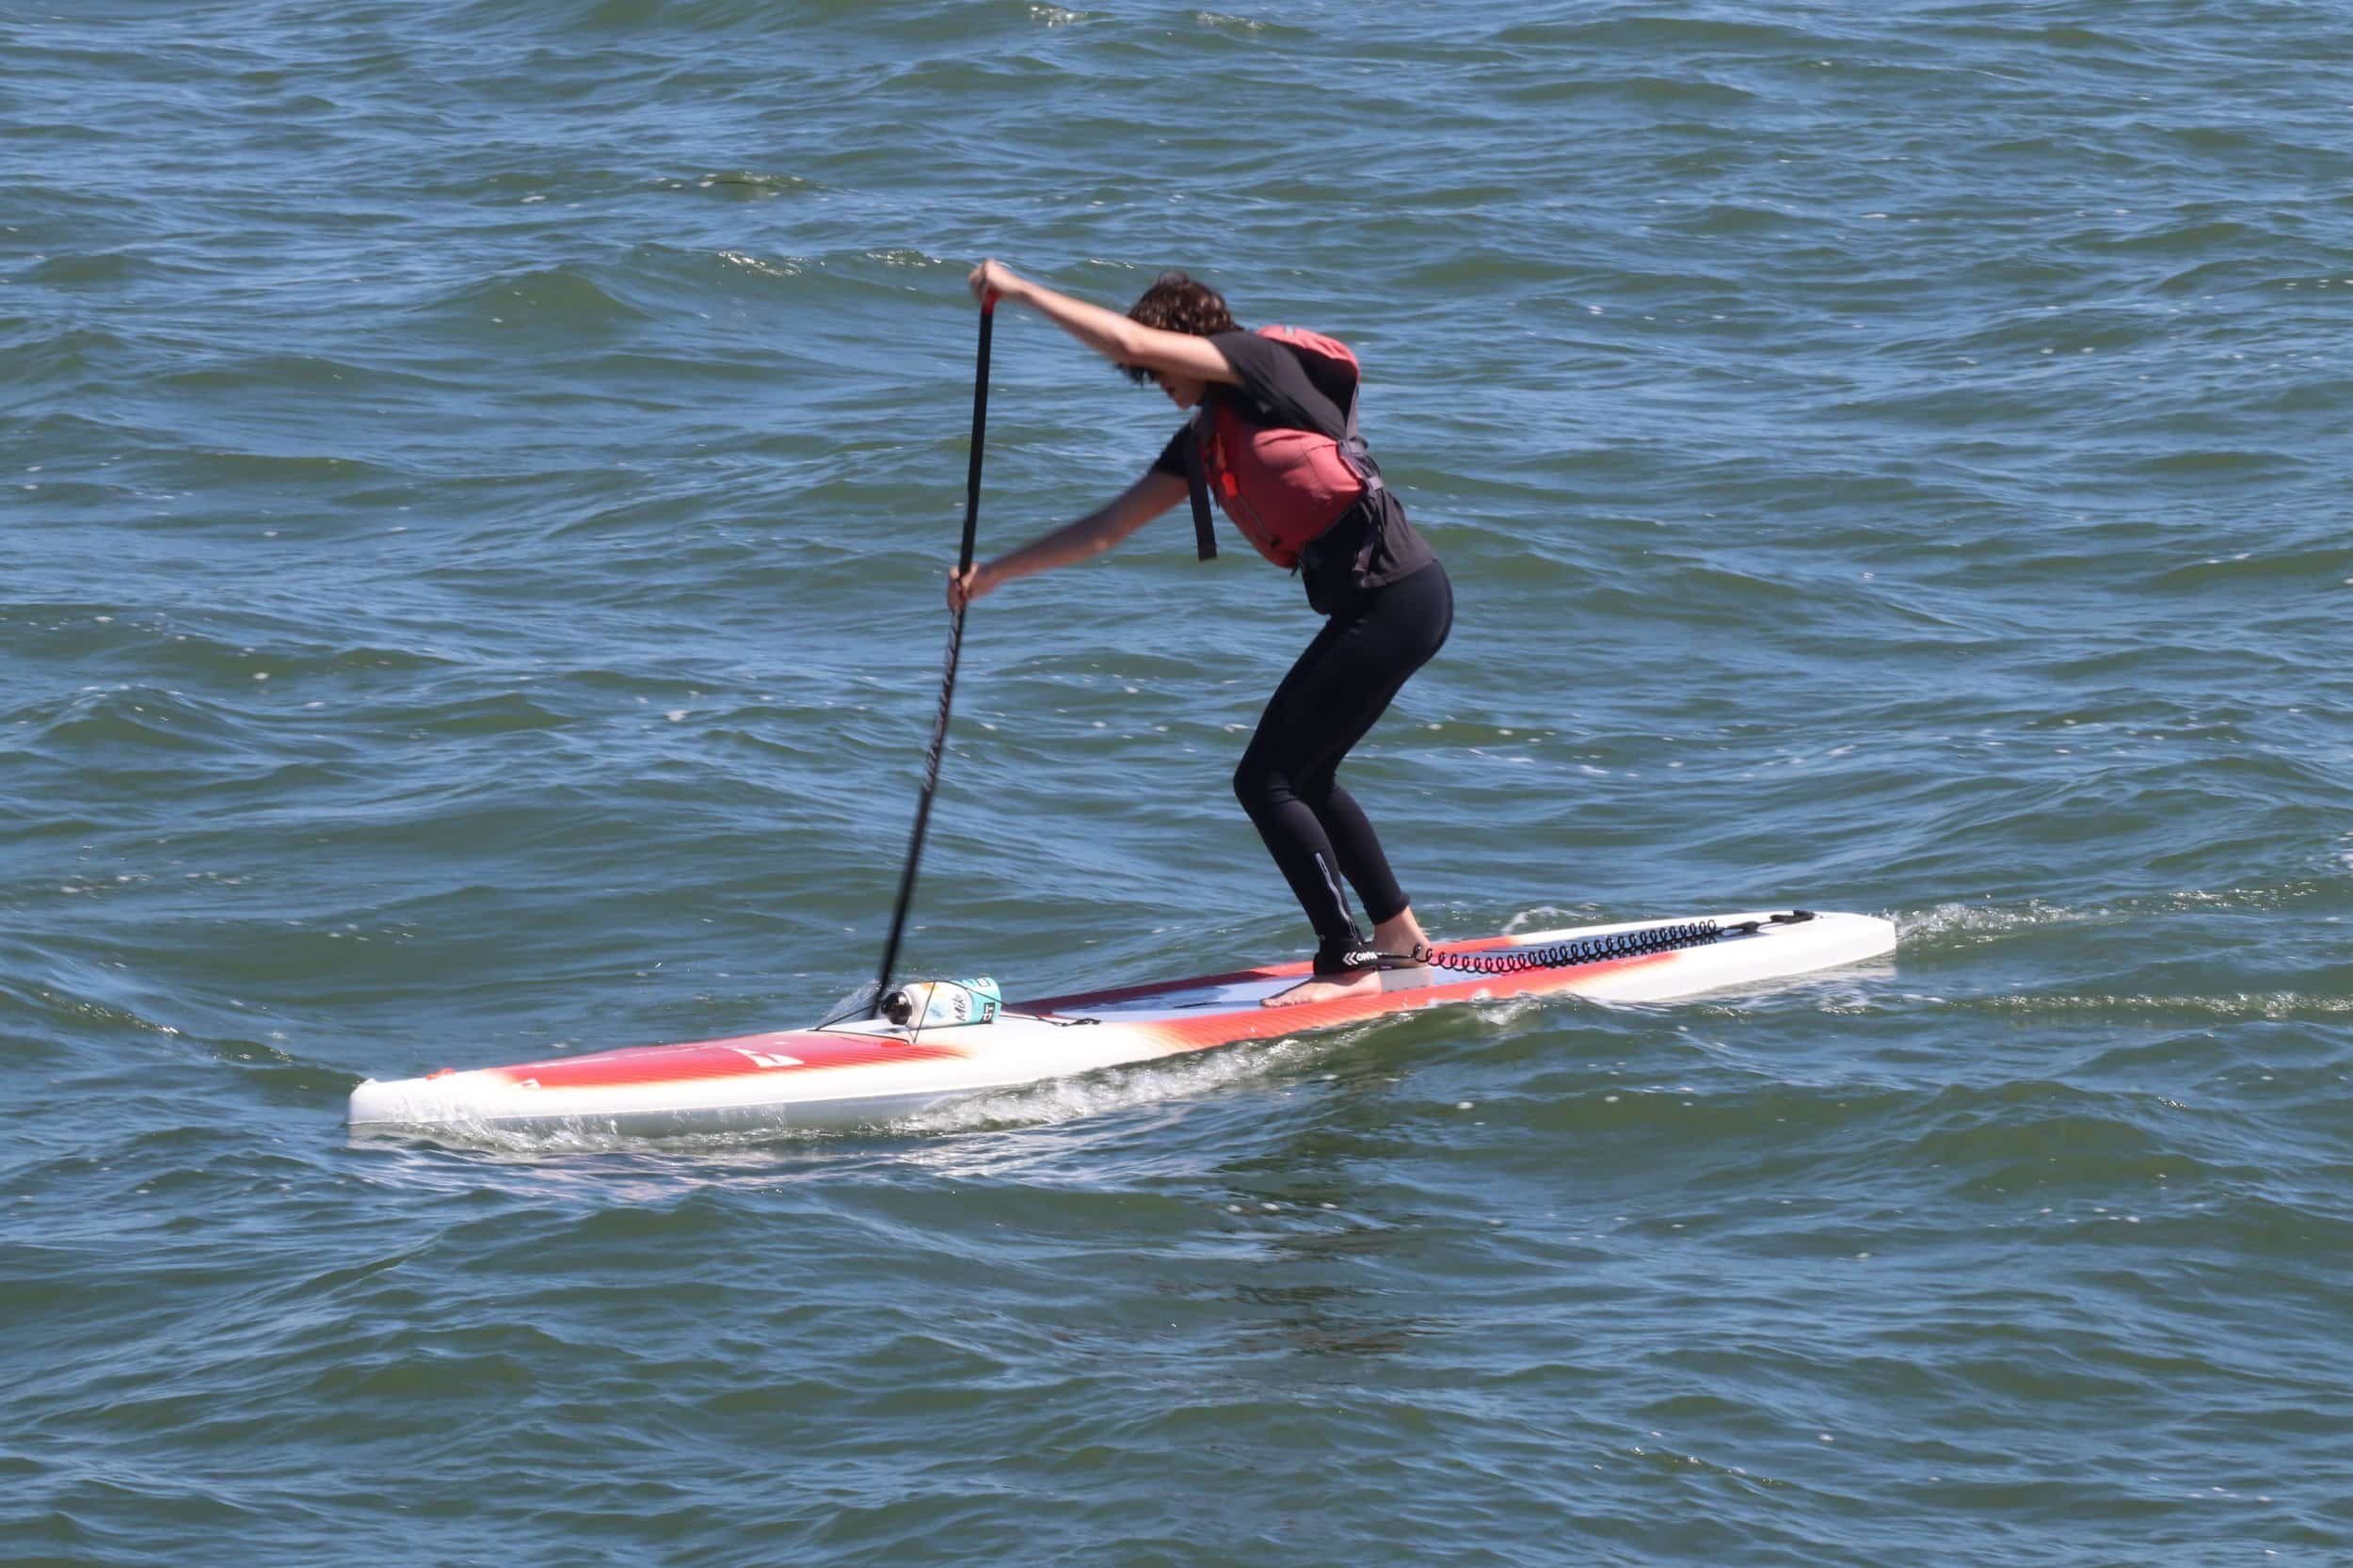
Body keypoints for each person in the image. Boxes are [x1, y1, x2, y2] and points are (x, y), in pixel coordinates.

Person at [950, 259, 1453, 1007]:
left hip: (1397, 597)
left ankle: (1344, 960)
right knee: (1305, 777)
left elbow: (1131, 341)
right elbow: (1105, 528)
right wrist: (994, 574)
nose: (1158, 385)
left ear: (1185, 341)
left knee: (1264, 780)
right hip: (1383, 603)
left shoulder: (1257, 364)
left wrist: (1019, 290)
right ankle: (1399, 938)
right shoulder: (1203, 442)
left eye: (1157, 369)